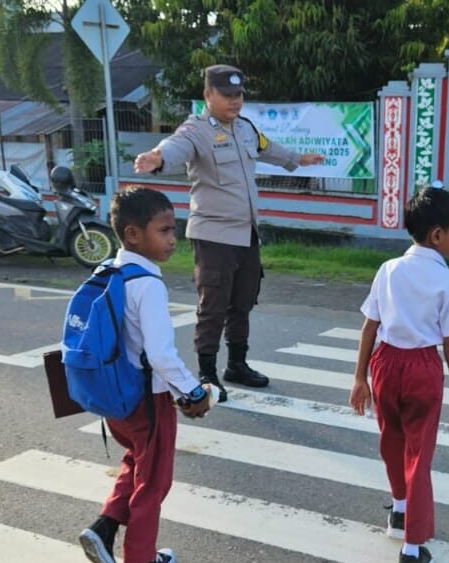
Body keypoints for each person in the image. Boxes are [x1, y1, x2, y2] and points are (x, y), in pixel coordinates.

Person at [133, 65, 325, 402]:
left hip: (246, 234)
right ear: (208, 95)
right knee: (213, 305)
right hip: (214, 235)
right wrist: (157, 157)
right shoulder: (196, 129)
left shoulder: (245, 128)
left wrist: (299, 159)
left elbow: (269, 148)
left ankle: (237, 364)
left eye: (239, 95)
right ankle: (207, 373)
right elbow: (177, 146)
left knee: (243, 301)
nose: (235, 102)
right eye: (227, 95)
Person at [77, 188, 212, 563]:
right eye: (165, 230)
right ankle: (138, 562)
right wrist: (192, 393)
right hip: (147, 399)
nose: (174, 239)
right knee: (153, 480)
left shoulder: (107, 273)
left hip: (112, 396)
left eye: (175, 230)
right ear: (133, 234)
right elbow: (161, 354)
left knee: (137, 462)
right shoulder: (149, 284)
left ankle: (103, 527)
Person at [349, 187, 449, 563]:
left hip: (385, 362)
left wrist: (359, 377)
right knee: (419, 456)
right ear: (438, 235)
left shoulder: (388, 269)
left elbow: (370, 324)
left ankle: (400, 510)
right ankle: (413, 552)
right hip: (421, 367)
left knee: (393, 441)